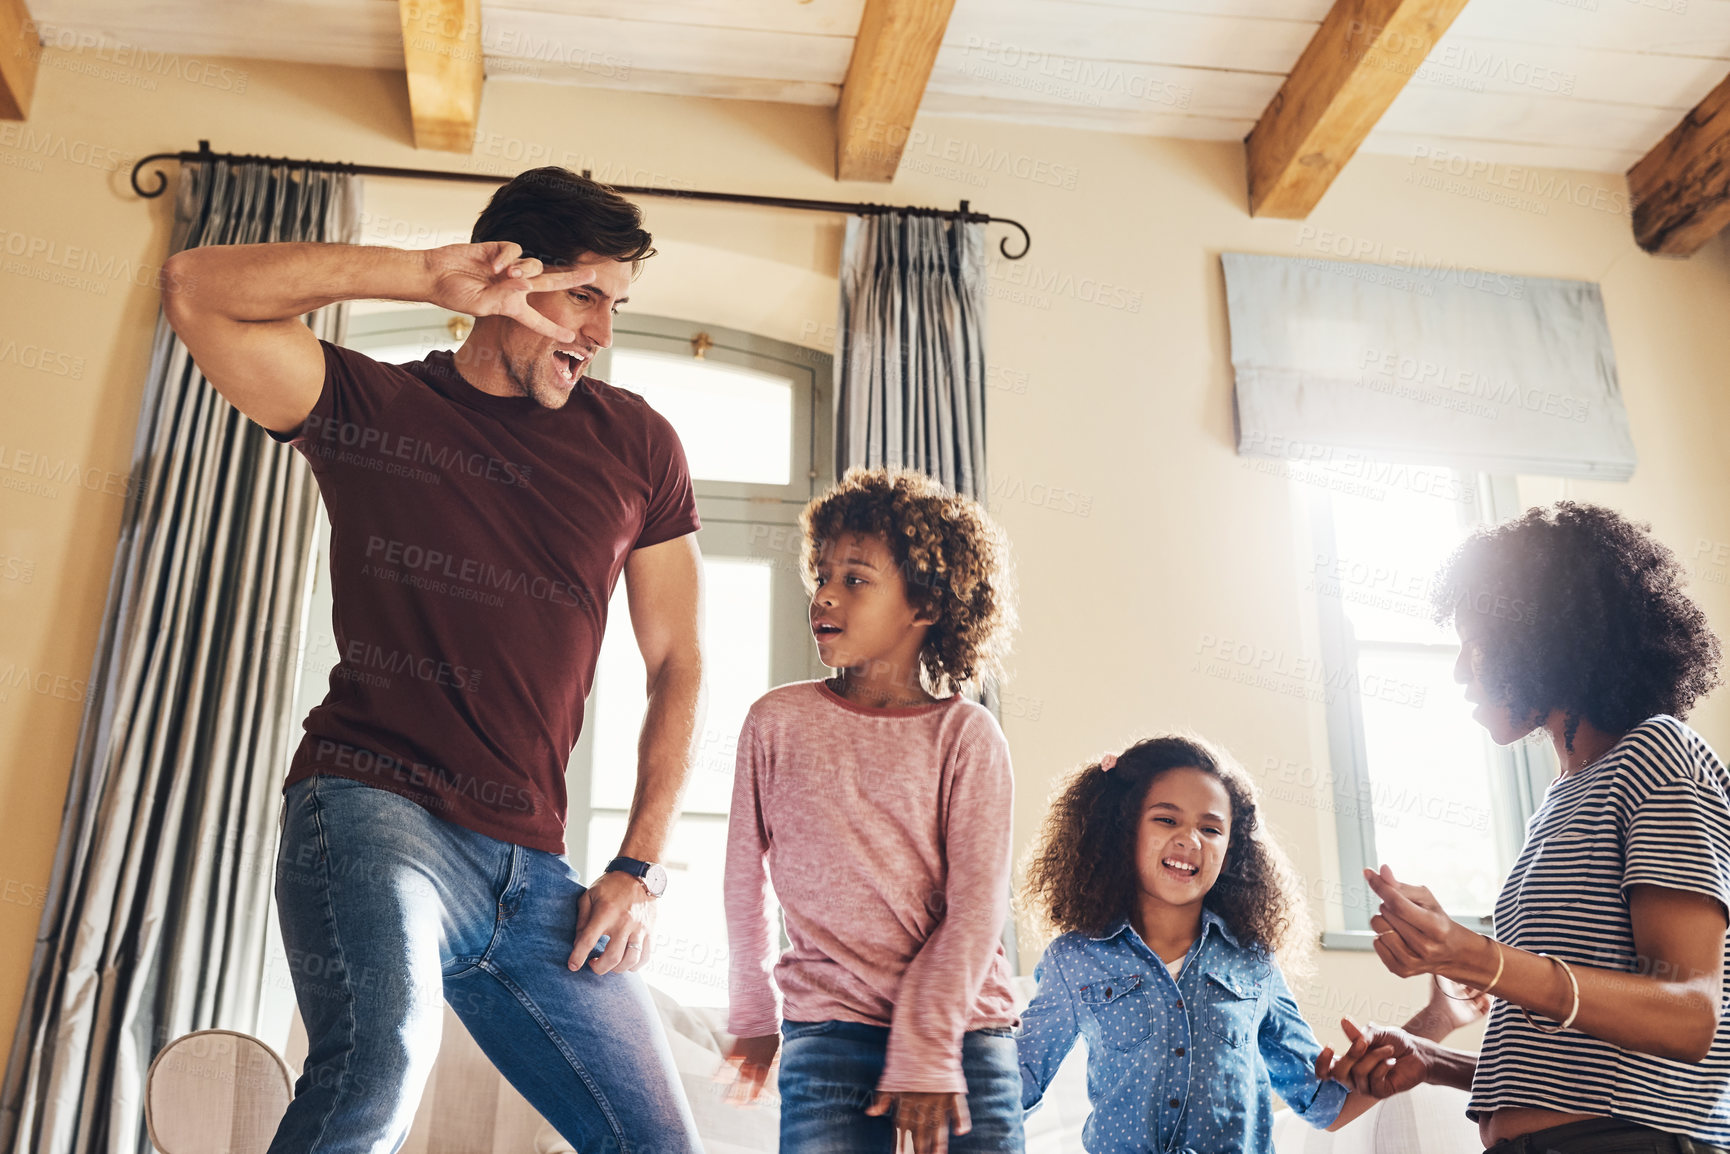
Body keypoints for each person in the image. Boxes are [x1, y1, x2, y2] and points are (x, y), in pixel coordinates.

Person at [161, 167, 708, 1153]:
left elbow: (678, 660)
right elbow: (196, 287)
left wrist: (638, 863)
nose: (600, 330)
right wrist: (422, 275)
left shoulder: (636, 444)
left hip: (536, 871)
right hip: (375, 814)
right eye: (583, 294)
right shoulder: (373, 407)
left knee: (660, 1141)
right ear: (506, 273)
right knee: (376, 1070)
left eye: (615, 304)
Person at [1321, 501, 1730, 1152]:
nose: (1460, 669)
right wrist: (1435, 1061)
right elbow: (1578, 1072)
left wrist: (1475, 957)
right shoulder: (1564, 797)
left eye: (1473, 644)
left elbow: (1691, 1017)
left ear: (1542, 639)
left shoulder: (1659, 755)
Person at [722, 467, 1023, 1154]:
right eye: (821, 574)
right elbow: (744, 879)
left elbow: (977, 911)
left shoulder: (967, 736)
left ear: (925, 605)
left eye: (855, 578)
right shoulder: (776, 722)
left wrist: (928, 1045)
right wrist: (752, 1012)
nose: (824, 593)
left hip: (966, 1036)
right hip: (830, 1033)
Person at [1016, 735, 1391, 1152]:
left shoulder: (1255, 964)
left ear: (1229, 851)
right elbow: (1015, 1085)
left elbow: (1326, 1106)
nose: (1190, 840)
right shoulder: (1075, 960)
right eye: (1166, 820)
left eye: (1210, 829)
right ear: (1124, 831)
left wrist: (1436, 1020)